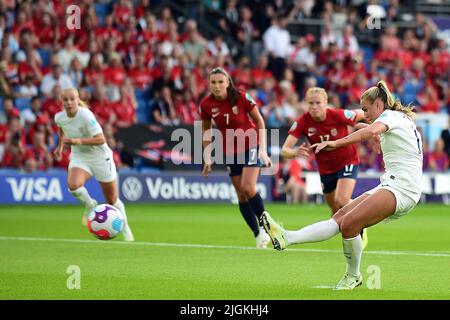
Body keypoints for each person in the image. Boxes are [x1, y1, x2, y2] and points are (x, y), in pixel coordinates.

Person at [261, 81, 423, 290]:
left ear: (379, 103)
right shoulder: (395, 119)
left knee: (349, 225)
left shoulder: (390, 117)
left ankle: (352, 276)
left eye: (366, 109)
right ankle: (286, 237)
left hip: (403, 189)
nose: (365, 114)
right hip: (392, 184)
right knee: (339, 217)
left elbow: (367, 131)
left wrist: (336, 142)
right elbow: (369, 129)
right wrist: (376, 133)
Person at [280, 87, 369, 247]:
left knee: (342, 200)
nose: (314, 107)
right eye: (310, 103)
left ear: (326, 103)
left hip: (347, 160)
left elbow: (362, 114)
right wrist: (294, 152)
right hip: (326, 169)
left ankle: (360, 226)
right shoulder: (303, 121)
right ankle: (354, 223)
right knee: (335, 210)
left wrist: (374, 130)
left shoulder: (337, 114)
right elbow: (284, 150)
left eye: (318, 103)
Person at [200, 67, 272, 248]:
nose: (217, 86)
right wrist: (207, 157)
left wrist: (262, 149)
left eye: (220, 82)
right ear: (209, 84)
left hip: (251, 145)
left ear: (227, 83)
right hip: (229, 151)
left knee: (248, 187)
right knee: (241, 195)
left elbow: (260, 121)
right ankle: (257, 234)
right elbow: (206, 131)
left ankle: (267, 227)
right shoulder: (206, 105)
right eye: (213, 82)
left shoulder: (241, 97)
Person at [53, 88, 134, 242]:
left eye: (72, 99)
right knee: (73, 185)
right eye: (66, 100)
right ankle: (90, 204)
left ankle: (126, 228)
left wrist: (78, 141)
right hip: (80, 157)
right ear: (61, 101)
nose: (69, 103)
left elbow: (101, 139)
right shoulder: (59, 117)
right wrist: (60, 147)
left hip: (100, 157)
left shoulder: (86, 115)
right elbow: (62, 131)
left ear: (78, 100)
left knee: (112, 200)